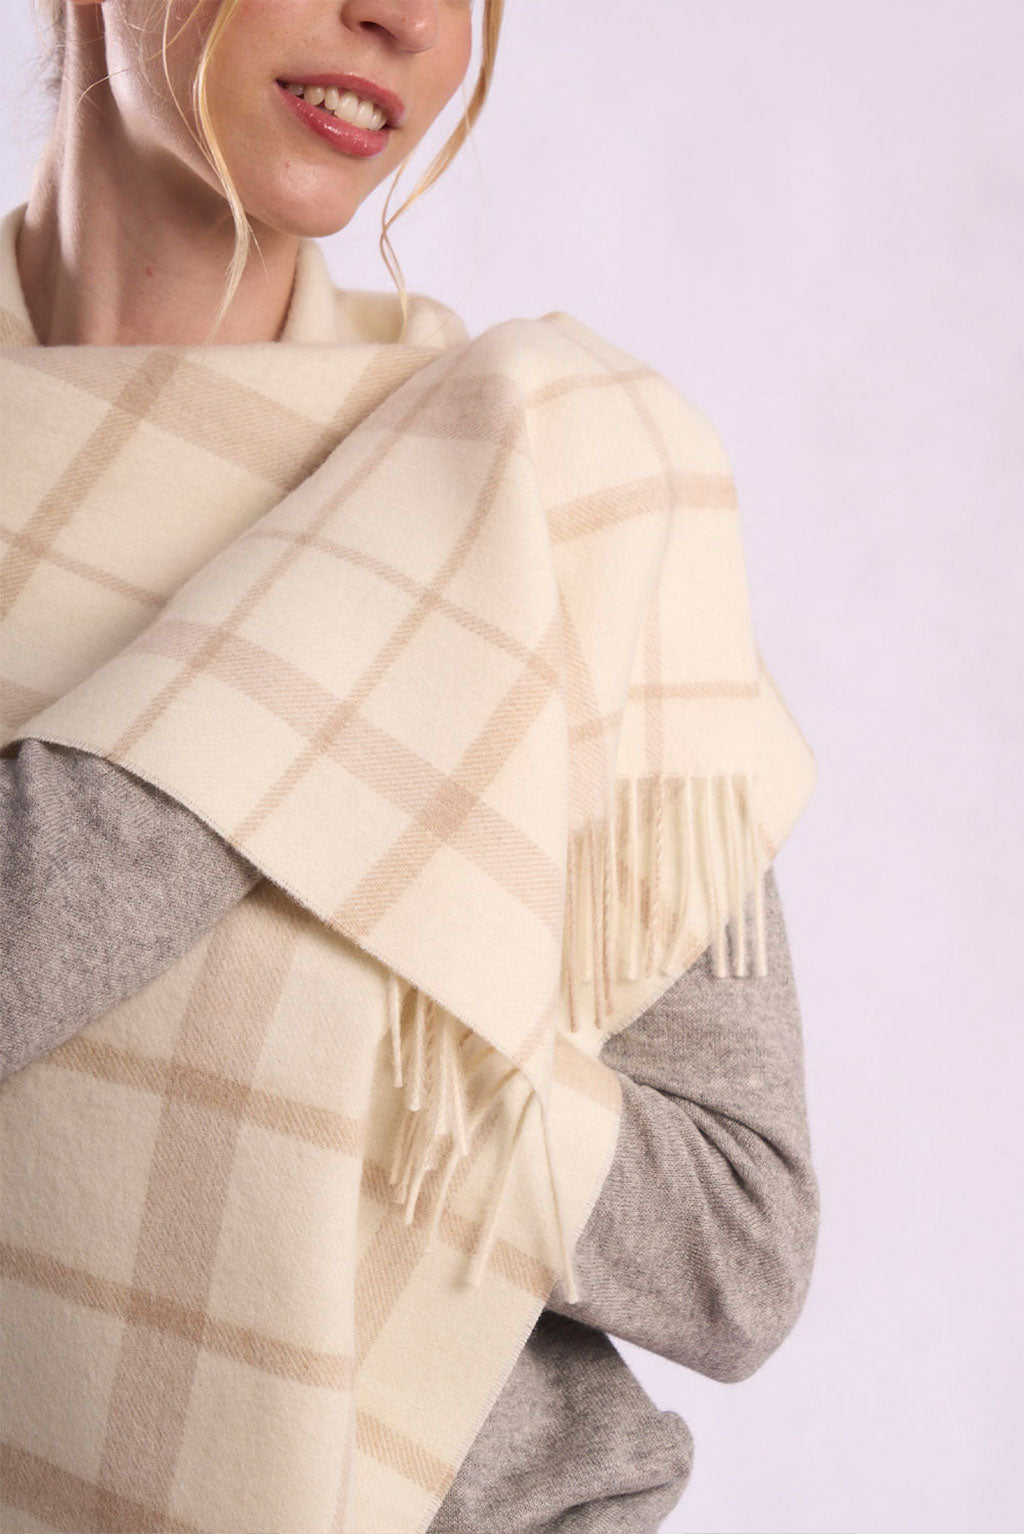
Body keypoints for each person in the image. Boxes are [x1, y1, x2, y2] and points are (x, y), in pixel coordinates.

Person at [0, 4, 820, 1531]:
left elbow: (736, 1247)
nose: (408, 18)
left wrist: (332, 1049)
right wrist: (345, 621)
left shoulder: (557, 490)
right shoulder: (461, 514)